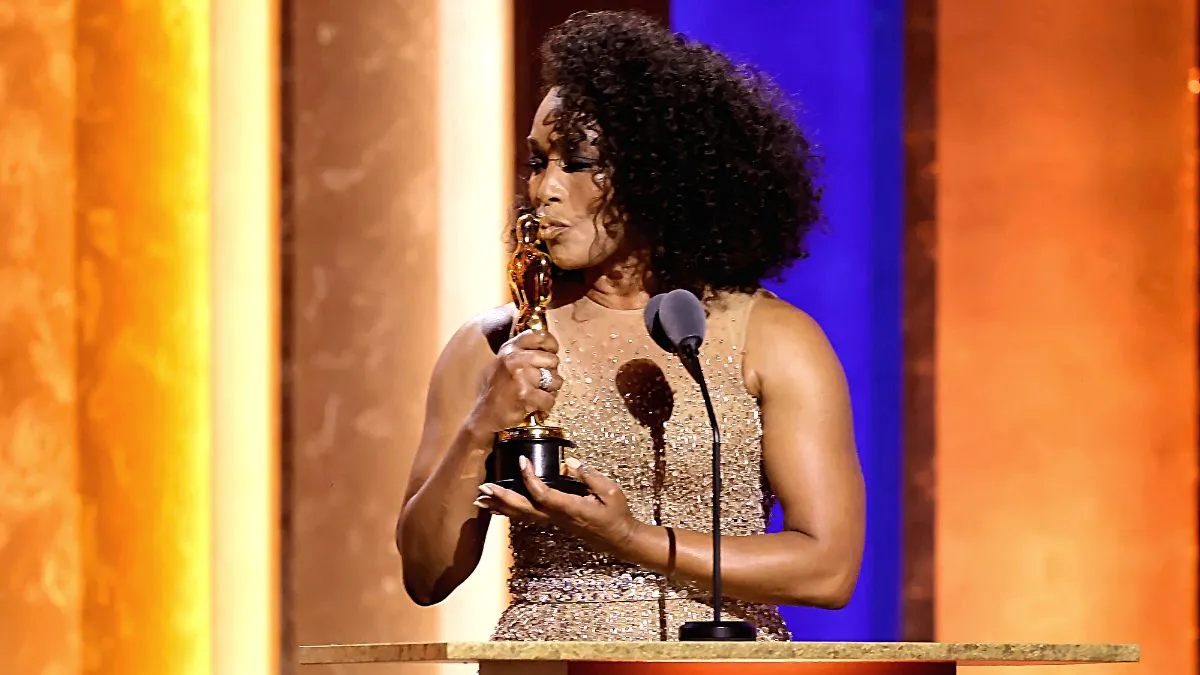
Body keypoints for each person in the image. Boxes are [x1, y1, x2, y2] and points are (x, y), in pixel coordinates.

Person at [397, 10, 865, 641]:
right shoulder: (491, 347)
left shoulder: (774, 339)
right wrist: (482, 425)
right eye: (539, 162)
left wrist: (629, 538)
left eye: (580, 163)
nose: (545, 189)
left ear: (658, 174)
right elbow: (427, 578)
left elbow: (828, 569)